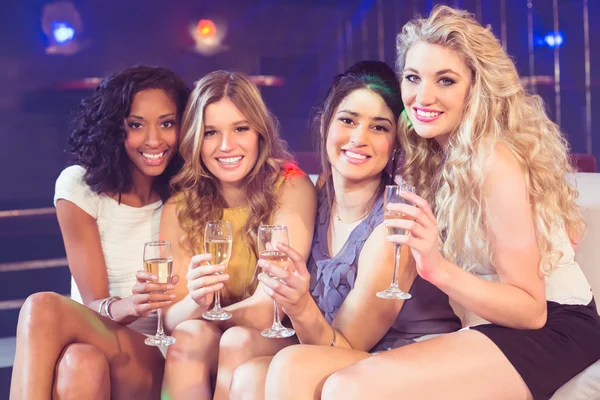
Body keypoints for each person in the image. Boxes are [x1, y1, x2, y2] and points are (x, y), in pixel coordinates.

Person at [304, 6, 600, 400]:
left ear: (474, 89)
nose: (422, 96)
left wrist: (437, 268)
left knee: (348, 388)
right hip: (486, 328)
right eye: (413, 78)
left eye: (445, 80)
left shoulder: (492, 160)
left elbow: (532, 310)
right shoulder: (431, 158)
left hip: (554, 328)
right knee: (335, 381)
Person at [228, 60, 461, 399]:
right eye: (348, 120)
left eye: (379, 128)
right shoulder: (313, 197)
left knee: (291, 364)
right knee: (247, 371)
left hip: (401, 358)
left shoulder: (395, 226)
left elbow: (347, 345)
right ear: (326, 124)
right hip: (331, 351)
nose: (358, 139)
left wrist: (300, 306)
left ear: (396, 141)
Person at [10, 66, 190, 399]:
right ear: (113, 129)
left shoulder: (187, 194)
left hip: (157, 355)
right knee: (80, 362)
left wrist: (143, 310)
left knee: (43, 308)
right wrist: (132, 305)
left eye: (167, 124)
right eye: (136, 125)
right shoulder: (79, 187)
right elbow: (93, 301)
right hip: (94, 337)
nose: (154, 140)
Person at [157, 70, 317, 399]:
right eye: (211, 133)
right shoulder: (179, 206)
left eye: (240, 129)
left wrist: (207, 312)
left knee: (236, 339)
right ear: (196, 139)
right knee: (188, 335)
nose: (226, 146)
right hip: (211, 333)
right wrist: (195, 302)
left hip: (275, 334)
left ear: (259, 132)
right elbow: (172, 319)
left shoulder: (291, 186)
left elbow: (266, 311)